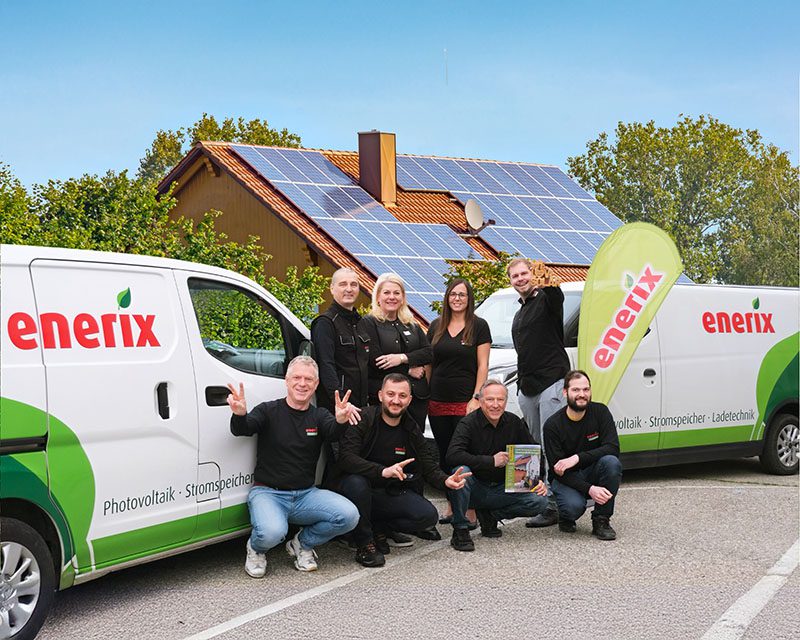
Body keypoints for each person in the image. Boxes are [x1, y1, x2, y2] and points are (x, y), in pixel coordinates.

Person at [227, 356, 360, 576]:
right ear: (287, 381)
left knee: (349, 515)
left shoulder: (319, 415)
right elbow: (244, 428)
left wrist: (341, 420)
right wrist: (240, 414)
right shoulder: (268, 410)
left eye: (308, 379)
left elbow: (333, 432)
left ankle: (302, 544)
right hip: (268, 493)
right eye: (297, 377)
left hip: (306, 495)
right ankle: (256, 549)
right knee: (272, 532)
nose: (302, 384)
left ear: (316, 384)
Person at [331, 373, 471, 567]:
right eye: (391, 394)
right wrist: (382, 471)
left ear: (410, 400)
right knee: (357, 483)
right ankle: (365, 543)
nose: (396, 400)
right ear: (380, 395)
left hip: (384, 494)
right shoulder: (363, 417)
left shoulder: (411, 428)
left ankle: (378, 527)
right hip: (353, 491)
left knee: (427, 515)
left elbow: (428, 464)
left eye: (402, 396)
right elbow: (346, 458)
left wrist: (445, 480)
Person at [445, 379, 549, 552]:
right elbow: (452, 455)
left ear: (506, 402)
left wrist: (538, 480)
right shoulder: (468, 423)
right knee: (460, 472)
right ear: (480, 401)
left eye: (500, 400)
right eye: (490, 399)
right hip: (475, 488)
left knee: (540, 501)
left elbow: (533, 451)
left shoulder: (514, 422)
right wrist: (491, 461)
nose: (495, 405)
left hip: (503, 488)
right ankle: (460, 529)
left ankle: (490, 516)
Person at [507, 257, 569, 528]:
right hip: (527, 386)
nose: (520, 279)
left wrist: (548, 283)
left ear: (533, 275)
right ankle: (533, 501)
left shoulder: (546, 299)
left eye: (524, 274)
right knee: (532, 446)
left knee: (552, 444)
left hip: (551, 382)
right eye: (515, 276)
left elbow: (556, 295)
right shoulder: (519, 311)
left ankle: (555, 505)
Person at [426, 278, 491, 526]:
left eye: (462, 295)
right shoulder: (436, 326)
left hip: (466, 402)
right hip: (437, 402)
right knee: (445, 456)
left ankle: (470, 508)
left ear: (469, 298)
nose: (457, 299)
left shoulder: (479, 326)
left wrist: (477, 397)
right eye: (453, 294)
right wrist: (426, 394)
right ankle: (452, 505)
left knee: (465, 454)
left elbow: (483, 365)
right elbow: (429, 363)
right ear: (447, 297)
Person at [543, 370, 622, 541]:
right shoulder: (552, 425)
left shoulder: (601, 412)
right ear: (565, 392)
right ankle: (565, 516)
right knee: (573, 508)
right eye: (576, 390)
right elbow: (558, 472)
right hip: (566, 478)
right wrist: (590, 489)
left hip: (592, 471)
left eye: (586, 389)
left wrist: (577, 458)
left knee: (611, 463)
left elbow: (612, 448)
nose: (582, 394)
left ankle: (601, 520)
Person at [359, 273, 433, 430]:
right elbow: (377, 361)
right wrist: (408, 369)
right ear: (378, 297)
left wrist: (402, 358)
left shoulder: (411, 324)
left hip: (416, 400)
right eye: (386, 292)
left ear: (403, 298)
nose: (391, 297)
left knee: (415, 440)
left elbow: (429, 353)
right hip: (387, 401)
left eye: (396, 293)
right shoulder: (368, 322)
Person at [311, 267, 369, 411]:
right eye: (343, 284)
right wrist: (342, 403)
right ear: (332, 288)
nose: (349, 289)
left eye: (354, 285)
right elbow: (326, 366)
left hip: (361, 406)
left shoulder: (361, 323)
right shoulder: (325, 323)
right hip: (337, 409)